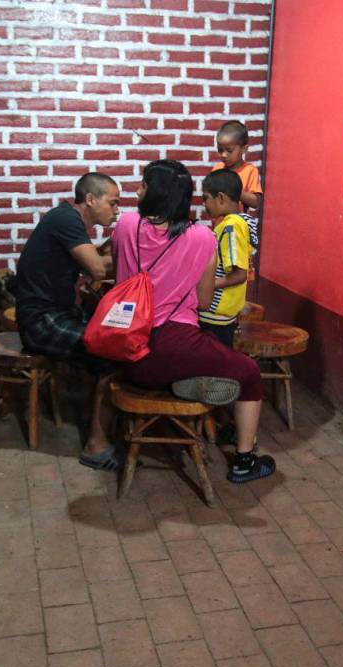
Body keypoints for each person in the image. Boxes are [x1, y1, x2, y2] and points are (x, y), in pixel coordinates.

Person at [111, 159, 275, 483]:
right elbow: (202, 301)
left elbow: (120, 274)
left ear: (155, 192)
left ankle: (186, 380)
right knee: (249, 372)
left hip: (125, 348)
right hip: (173, 347)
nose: (137, 190)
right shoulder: (202, 237)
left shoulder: (126, 224)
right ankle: (244, 461)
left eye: (143, 185)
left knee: (193, 358)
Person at [14, 172, 121, 470]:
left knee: (108, 339)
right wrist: (141, 254)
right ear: (90, 199)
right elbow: (98, 270)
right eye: (112, 203)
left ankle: (92, 415)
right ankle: (96, 447)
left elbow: (94, 261)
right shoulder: (66, 221)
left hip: (56, 312)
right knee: (113, 356)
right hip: (41, 321)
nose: (116, 210)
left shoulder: (67, 219)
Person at [198, 168, 253, 348]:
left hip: (215, 315)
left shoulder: (231, 227)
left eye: (205, 198)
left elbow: (239, 274)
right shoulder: (232, 224)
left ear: (220, 198)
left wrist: (206, 285)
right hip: (221, 314)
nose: (204, 204)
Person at [212, 120, 263, 214]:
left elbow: (256, 202)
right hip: (219, 224)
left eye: (229, 151)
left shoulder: (250, 170)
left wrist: (234, 191)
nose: (224, 155)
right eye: (220, 150)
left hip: (239, 224)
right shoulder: (217, 169)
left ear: (244, 149)